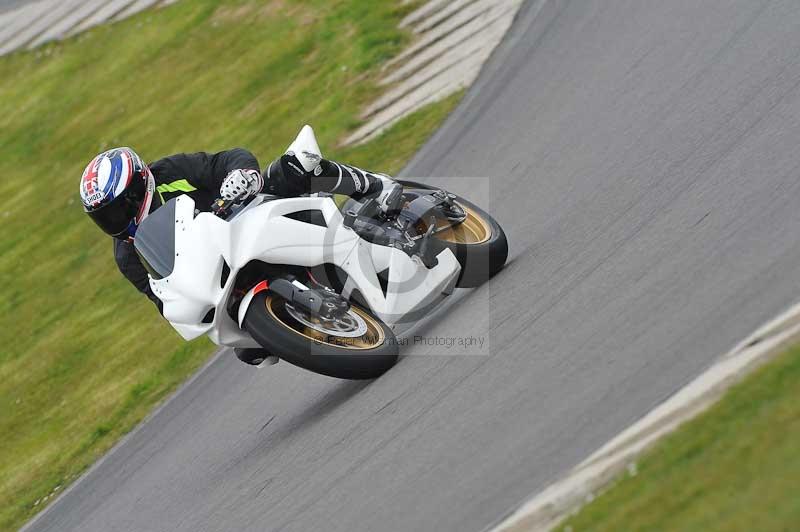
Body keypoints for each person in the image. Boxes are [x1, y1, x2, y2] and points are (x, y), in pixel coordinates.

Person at [79, 127, 400, 366]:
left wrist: (240, 174)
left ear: (139, 185)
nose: (115, 220)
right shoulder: (127, 253)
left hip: (246, 215)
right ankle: (307, 320)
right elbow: (161, 297)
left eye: (119, 208)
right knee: (249, 350)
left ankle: (374, 185)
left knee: (294, 166)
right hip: (218, 267)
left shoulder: (168, 173)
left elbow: (225, 160)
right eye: (104, 217)